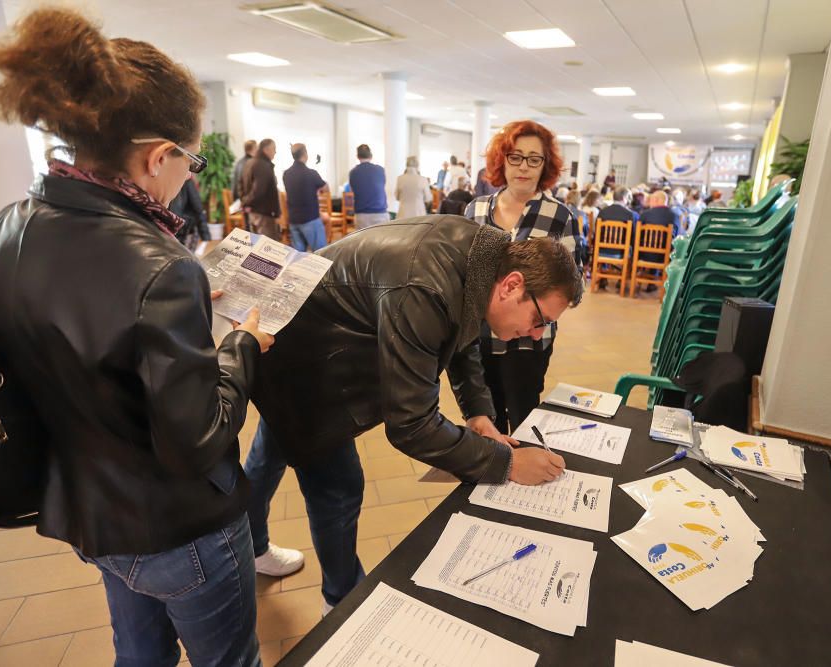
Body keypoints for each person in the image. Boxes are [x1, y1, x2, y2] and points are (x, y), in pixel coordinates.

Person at [0, 8, 275, 665]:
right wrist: (241, 346)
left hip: (85, 509)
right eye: (190, 162)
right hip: (179, 527)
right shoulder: (161, 265)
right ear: (157, 155)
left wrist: (173, 312)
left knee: (138, 656)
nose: (191, 176)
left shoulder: (2, 228)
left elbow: (69, 337)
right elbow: (196, 441)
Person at [245, 217, 579, 613]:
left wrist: (477, 413)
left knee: (271, 451)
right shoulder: (426, 287)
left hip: (311, 337)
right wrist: (505, 462)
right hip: (297, 362)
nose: (538, 334)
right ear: (512, 285)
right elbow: (411, 424)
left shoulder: (481, 259)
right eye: (541, 321)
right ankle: (340, 601)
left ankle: (251, 544)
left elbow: (461, 331)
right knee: (338, 486)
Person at [465, 119, 582, 435]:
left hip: (530, 340)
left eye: (534, 159)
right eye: (515, 157)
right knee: (487, 418)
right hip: (481, 336)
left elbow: (573, 285)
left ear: (545, 165)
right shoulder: (475, 210)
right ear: (502, 160)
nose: (524, 167)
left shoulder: (560, 215)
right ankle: (492, 473)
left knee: (524, 416)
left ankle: (523, 473)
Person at [282, 142, 328, 252]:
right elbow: (325, 188)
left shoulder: (286, 174)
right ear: (305, 154)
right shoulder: (311, 173)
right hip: (310, 219)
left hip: (294, 220)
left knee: (298, 257)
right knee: (321, 254)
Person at [241, 138, 282, 240]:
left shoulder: (250, 162)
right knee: (268, 247)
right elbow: (259, 191)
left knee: (256, 244)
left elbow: (240, 185)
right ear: (266, 150)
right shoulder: (263, 165)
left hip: (253, 212)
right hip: (263, 213)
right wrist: (246, 202)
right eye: (274, 149)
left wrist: (245, 201)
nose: (275, 152)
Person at [348, 144, 389, 229]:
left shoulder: (353, 172)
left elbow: (352, 191)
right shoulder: (380, 170)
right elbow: (382, 185)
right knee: (382, 241)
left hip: (362, 214)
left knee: (363, 242)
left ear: (357, 156)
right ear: (371, 156)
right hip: (380, 213)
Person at [168, 177, 210, 252]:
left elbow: (198, 208)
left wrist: (205, 237)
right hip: (170, 232)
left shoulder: (187, 181)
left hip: (186, 230)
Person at [395, 155, 432, 219]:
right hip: (418, 214)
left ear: (406, 165)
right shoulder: (423, 179)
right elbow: (428, 198)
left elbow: (397, 197)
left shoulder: (400, 178)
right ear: (417, 165)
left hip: (403, 214)